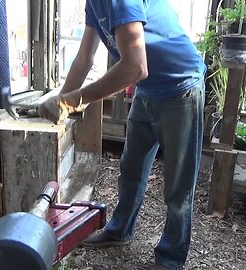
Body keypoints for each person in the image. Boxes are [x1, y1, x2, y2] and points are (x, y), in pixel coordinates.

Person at [37, 1, 206, 269]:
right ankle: (119, 230)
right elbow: (84, 59)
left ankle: (170, 258)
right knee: (131, 169)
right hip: (147, 91)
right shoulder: (94, 3)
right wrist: (61, 102)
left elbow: (136, 67)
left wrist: (75, 99)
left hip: (180, 88)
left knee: (178, 186)